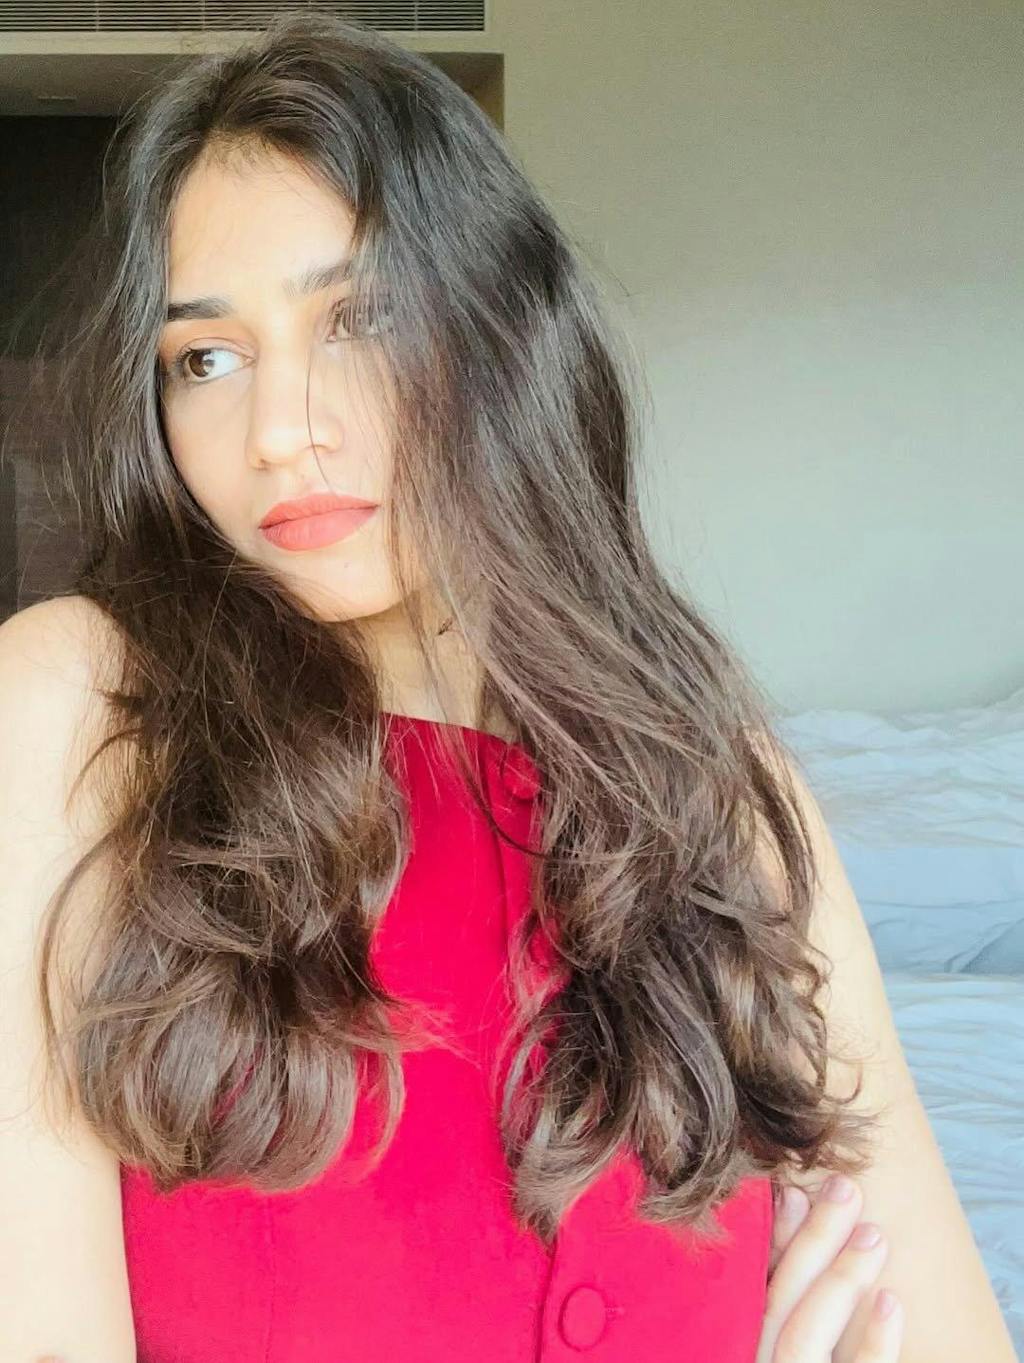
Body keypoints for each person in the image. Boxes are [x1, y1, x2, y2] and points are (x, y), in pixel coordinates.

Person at [0, 10, 1014, 1363]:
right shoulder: (81, 710)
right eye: (207, 358)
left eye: (359, 319)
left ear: (499, 331)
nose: (279, 431)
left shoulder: (712, 783)